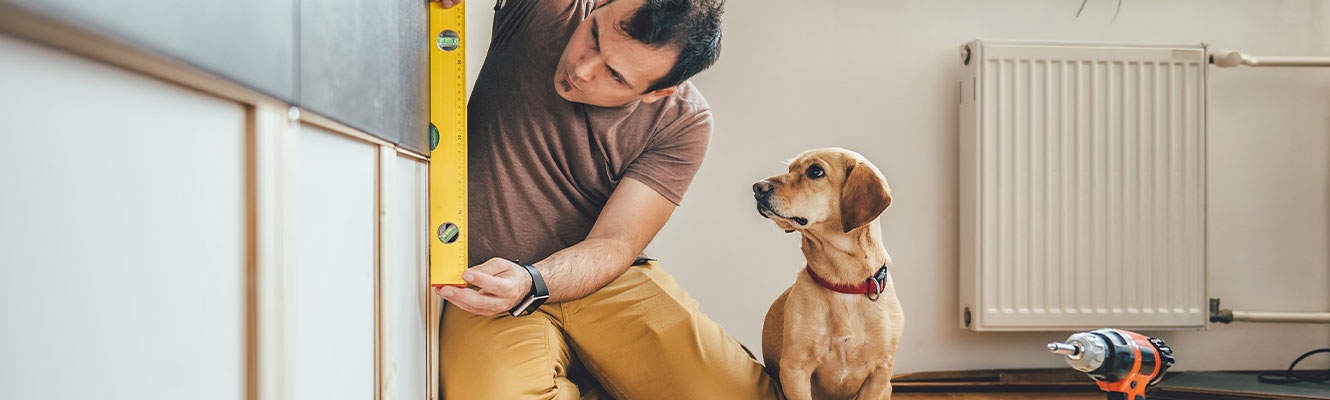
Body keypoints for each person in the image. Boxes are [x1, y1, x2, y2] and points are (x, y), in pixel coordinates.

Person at [430, 0, 779, 398]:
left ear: (657, 91)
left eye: (614, 75)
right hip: (490, 284)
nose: (582, 68)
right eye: (594, 34)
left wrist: (534, 280)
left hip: (604, 278)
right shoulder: (549, 10)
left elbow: (616, 242)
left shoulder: (685, 121)